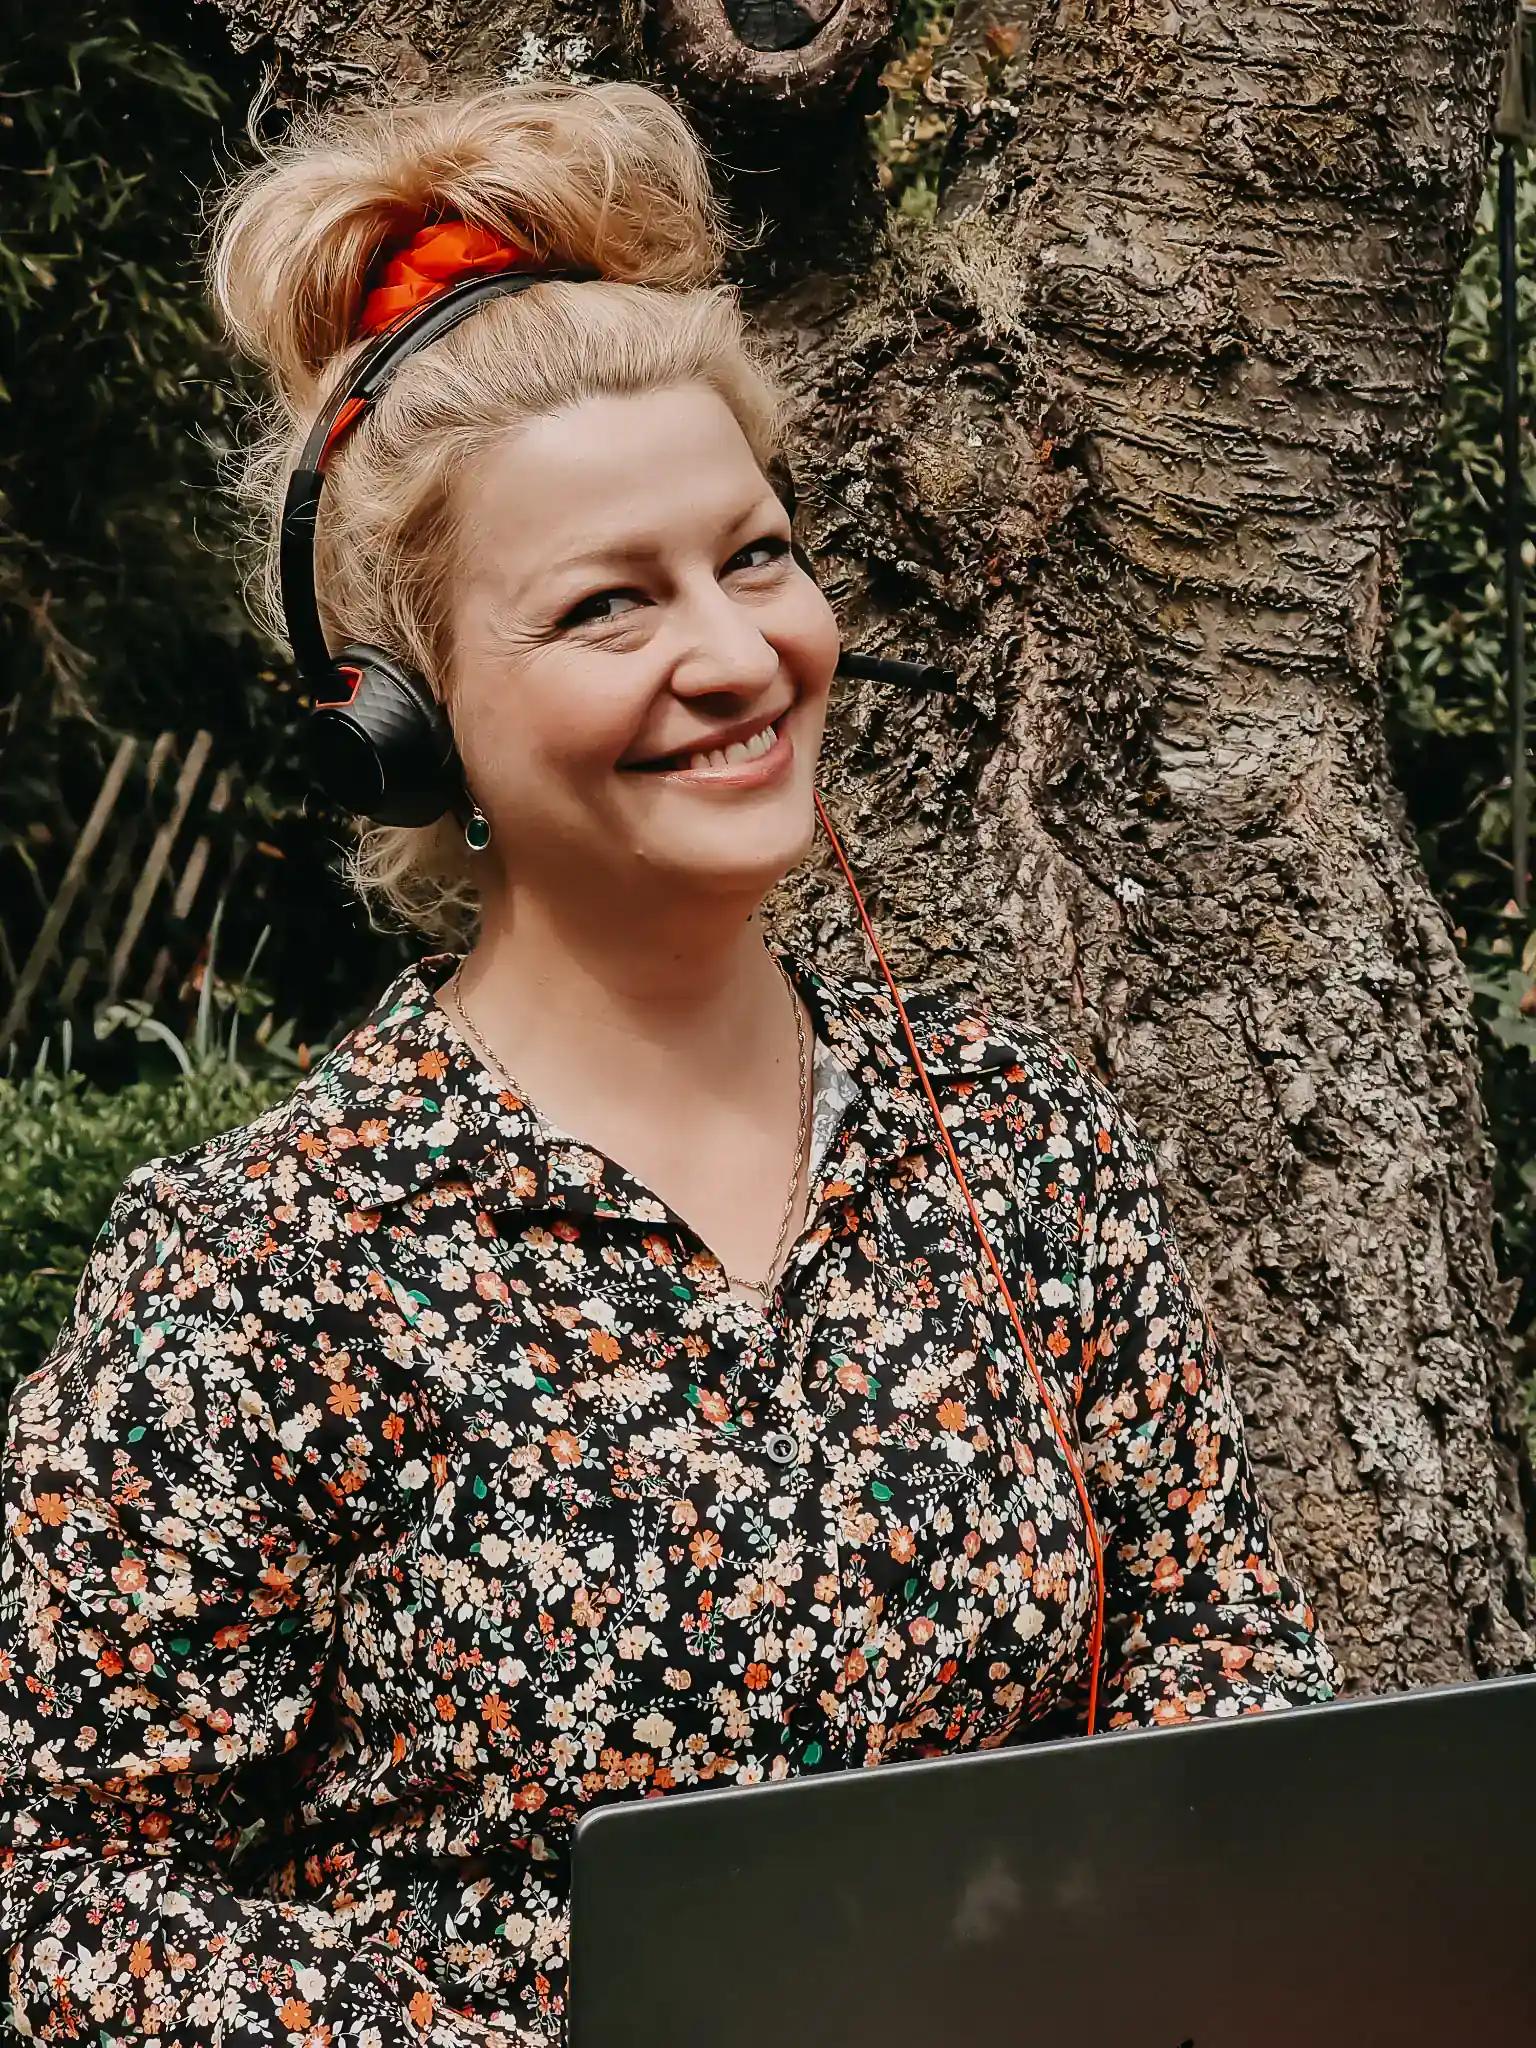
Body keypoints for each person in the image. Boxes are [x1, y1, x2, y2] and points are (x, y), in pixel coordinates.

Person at [0, 77, 1339, 2048]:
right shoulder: (267, 1261)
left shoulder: (1016, 1130)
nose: (735, 652)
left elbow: (1215, 1645)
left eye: (756, 556)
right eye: (611, 602)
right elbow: (49, 1878)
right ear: (401, 720)